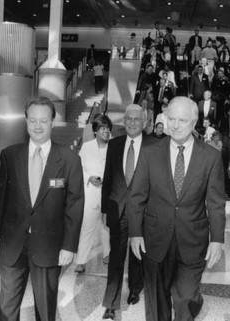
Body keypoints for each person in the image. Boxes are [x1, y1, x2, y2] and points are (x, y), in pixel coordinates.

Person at [128, 96, 226, 321]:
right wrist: (135, 232)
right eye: (171, 118)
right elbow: (137, 196)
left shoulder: (210, 157)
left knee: (185, 298)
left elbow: (216, 203)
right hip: (154, 238)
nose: (175, 125)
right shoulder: (150, 151)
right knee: (157, 301)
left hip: (192, 240)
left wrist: (217, 239)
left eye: (182, 120)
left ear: (194, 122)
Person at [0, 97, 84, 321]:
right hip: (13, 243)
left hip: (49, 246)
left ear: (53, 122)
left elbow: (74, 206)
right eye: (32, 120)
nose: (38, 126)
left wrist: (69, 246)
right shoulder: (10, 155)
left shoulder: (69, 159)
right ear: (26, 121)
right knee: (8, 305)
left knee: (45, 306)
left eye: (43, 120)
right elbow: (0, 198)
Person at [101, 104, 155, 320]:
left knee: (138, 255)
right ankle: (111, 305)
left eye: (137, 119)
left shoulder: (155, 146)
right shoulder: (114, 145)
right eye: (129, 119)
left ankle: (135, 287)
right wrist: (105, 208)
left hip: (145, 212)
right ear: (124, 121)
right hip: (118, 210)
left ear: (144, 122)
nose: (132, 122)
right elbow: (107, 178)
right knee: (116, 257)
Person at [74, 115, 112, 273]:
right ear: (95, 131)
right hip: (90, 194)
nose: (106, 131)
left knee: (107, 228)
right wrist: (89, 178)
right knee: (87, 228)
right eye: (102, 128)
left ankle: (107, 254)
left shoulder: (114, 146)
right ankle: (81, 261)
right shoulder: (87, 147)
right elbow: (79, 169)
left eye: (108, 128)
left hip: (108, 195)